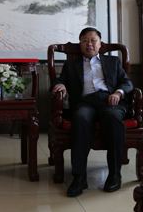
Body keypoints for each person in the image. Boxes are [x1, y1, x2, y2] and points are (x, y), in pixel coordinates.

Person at [51, 27, 133, 197]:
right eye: (85, 41)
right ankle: (79, 177)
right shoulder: (71, 65)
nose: (89, 44)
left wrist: (118, 93)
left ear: (100, 43)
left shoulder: (113, 61)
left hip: (109, 101)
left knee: (113, 118)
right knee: (80, 118)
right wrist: (60, 85)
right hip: (85, 103)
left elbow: (126, 83)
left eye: (93, 40)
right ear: (80, 44)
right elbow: (59, 80)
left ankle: (114, 175)